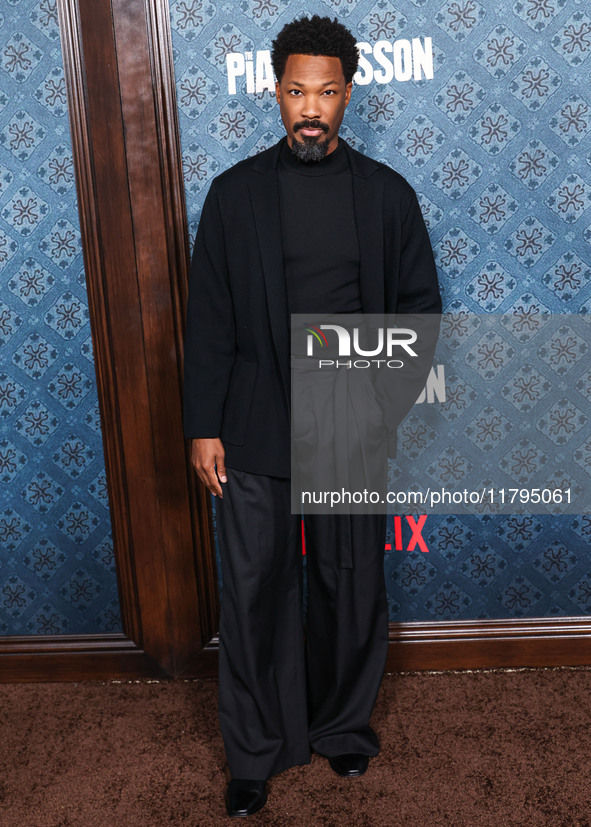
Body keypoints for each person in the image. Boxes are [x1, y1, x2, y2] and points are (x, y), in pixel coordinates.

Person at [183, 15, 441, 818]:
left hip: (345, 421)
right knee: (255, 589)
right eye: (296, 90)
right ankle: (256, 752)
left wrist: (375, 408)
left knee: (347, 585)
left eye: (326, 92)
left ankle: (341, 731)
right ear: (275, 92)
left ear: (349, 95)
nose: (310, 106)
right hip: (253, 421)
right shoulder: (234, 196)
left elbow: (421, 313)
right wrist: (202, 425)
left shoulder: (388, 195)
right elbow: (210, 323)